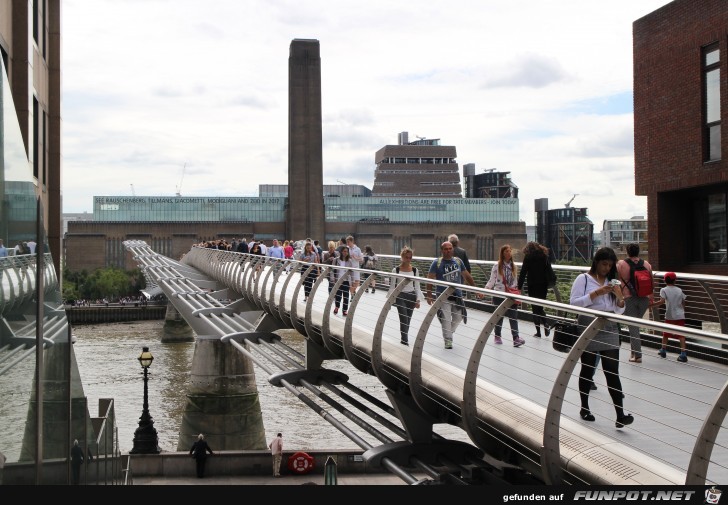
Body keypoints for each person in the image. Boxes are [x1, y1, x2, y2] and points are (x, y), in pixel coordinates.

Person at [570, 247, 633, 429]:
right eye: (604, 264)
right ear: (596, 262)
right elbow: (574, 303)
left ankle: (620, 414)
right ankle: (584, 407)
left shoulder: (612, 281)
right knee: (588, 368)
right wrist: (598, 293)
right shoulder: (583, 279)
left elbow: (619, 309)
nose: (606, 268)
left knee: (612, 370)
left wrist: (619, 297)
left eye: (610, 265)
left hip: (610, 327)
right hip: (589, 326)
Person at [426, 241, 475, 349]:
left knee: (459, 317)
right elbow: (430, 279)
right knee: (446, 318)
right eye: (445, 249)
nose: (448, 251)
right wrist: (429, 295)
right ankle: (448, 340)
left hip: (457, 295)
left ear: (452, 249)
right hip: (443, 296)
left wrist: (476, 290)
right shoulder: (436, 263)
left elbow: (467, 275)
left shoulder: (458, 261)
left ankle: (449, 332)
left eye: (450, 248)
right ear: (442, 250)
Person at [616, 243, 654, 363]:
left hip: (629, 298)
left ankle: (637, 356)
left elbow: (615, 278)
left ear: (627, 252)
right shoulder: (646, 264)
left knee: (633, 327)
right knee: (634, 325)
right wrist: (651, 298)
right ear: (639, 251)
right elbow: (651, 281)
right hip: (644, 298)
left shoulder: (622, 264)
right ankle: (633, 353)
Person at [484, 244, 525, 347]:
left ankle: (516, 338)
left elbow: (515, 281)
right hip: (499, 294)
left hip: (511, 295)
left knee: (513, 316)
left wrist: (516, 292)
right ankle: (497, 336)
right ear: (502, 253)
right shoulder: (497, 266)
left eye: (509, 251)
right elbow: (492, 280)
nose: (508, 253)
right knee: (499, 317)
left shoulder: (514, 266)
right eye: (506, 251)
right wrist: (485, 290)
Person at [388, 246, 423, 346]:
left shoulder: (415, 270)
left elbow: (417, 286)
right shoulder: (396, 270)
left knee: (408, 319)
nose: (408, 259)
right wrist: (390, 302)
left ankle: (404, 337)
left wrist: (418, 300)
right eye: (406, 257)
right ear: (402, 257)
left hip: (411, 296)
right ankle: (405, 340)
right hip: (400, 296)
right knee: (403, 318)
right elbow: (392, 287)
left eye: (410, 257)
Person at [518, 241, 553, 338]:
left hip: (532, 285)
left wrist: (519, 287)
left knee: (535, 308)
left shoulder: (528, 257)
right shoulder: (544, 256)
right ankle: (545, 323)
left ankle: (538, 332)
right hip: (543, 285)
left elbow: (523, 272)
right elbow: (549, 269)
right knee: (540, 306)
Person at [654, 272, 688, 362]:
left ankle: (663, 350)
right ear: (675, 280)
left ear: (664, 280)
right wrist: (682, 310)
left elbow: (661, 301)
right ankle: (683, 353)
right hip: (680, 315)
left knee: (666, 333)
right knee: (681, 335)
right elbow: (683, 301)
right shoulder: (679, 290)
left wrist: (652, 305)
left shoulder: (664, 290)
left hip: (669, 315)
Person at [334, 246, 360, 317]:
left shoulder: (350, 261)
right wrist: (333, 279)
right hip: (338, 280)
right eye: (344, 251)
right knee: (338, 295)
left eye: (346, 251)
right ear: (341, 252)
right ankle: (337, 307)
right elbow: (333, 270)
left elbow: (352, 272)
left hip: (346, 281)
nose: (345, 253)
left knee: (346, 296)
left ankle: (344, 310)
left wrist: (352, 282)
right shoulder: (336, 260)